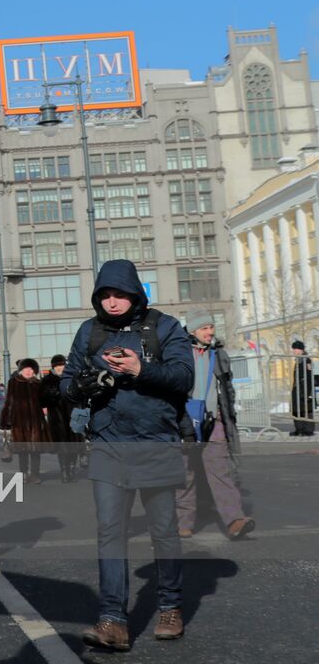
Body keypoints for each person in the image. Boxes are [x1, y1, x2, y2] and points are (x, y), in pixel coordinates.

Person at [62, 260, 193, 651]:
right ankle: (112, 620)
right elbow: (67, 383)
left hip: (156, 442)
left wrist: (140, 369)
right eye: (105, 294)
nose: (112, 301)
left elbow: (184, 378)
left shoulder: (163, 327)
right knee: (110, 532)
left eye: (119, 294)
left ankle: (170, 606)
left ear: (135, 293)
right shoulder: (90, 332)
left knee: (164, 532)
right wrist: (81, 385)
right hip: (107, 445)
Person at [175, 314, 254, 539]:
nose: (210, 332)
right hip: (184, 420)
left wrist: (227, 415)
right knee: (186, 472)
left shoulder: (217, 354)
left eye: (211, 327)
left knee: (221, 471)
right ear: (192, 331)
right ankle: (183, 522)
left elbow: (226, 389)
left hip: (213, 421)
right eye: (205, 328)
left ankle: (235, 520)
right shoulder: (178, 353)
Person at [0, 359, 48, 483]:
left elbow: (44, 401)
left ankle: (35, 475)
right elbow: (9, 402)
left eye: (31, 369)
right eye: (26, 368)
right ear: (21, 370)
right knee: (23, 451)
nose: (28, 371)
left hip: (36, 422)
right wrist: (5, 421)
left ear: (34, 371)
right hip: (19, 422)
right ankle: (24, 473)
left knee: (36, 451)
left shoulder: (38, 383)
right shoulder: (14, 382)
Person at [41, 355, 82, 482]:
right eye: (57, 366)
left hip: (74, 415)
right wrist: (54, 393)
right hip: (57, 418)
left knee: (74, 444)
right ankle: (65, 471)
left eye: (62, 365)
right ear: (53, 367)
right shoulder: (48, 380)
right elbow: (42, 400)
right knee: (61, 446)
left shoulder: (73, 377)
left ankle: (72, 468)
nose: (60, 368)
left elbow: (81, 394)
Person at [290, 340, 315, 436]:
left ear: (300, 349)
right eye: (293, 349)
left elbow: (309, 377)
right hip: (297, 389)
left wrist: (308, 392)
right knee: (296, 410)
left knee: (307, 410)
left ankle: (308, 430)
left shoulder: (306, 360)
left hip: (305, 389)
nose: (293, 351)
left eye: (295, 349)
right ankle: (299, 429)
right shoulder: (298, 360)